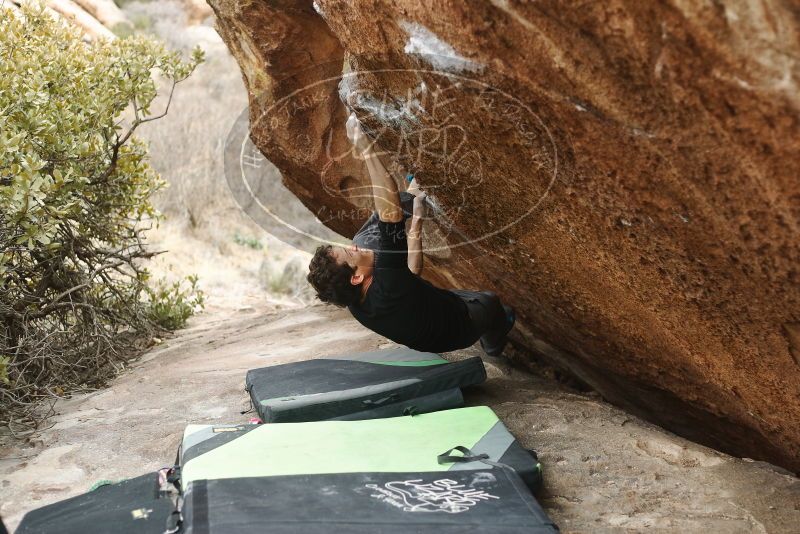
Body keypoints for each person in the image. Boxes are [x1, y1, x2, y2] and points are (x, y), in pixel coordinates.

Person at [307, 114, 514, 355]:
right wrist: (365, 148)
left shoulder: (354, 296)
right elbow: (390, 217)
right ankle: (494, 340)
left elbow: (411, 271)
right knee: (491, 303)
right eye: (349, 254)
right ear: (356, 278)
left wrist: (415, 225)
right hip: (457, 328)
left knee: (371, 236)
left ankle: (414, 192)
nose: (352, 247)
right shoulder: (387, 288)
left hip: (426, 306)